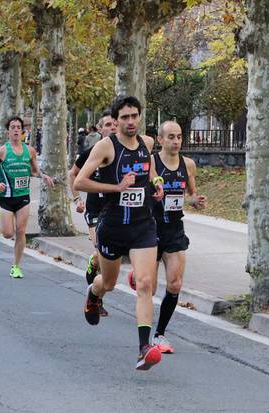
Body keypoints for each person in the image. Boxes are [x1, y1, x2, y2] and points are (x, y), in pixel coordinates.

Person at [74, 95, 165, 370]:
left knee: (146, 283)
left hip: (142, 225)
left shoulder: (147, 143)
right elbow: (79, 181)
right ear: (115, 121)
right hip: (112, 226)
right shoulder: (105, 147)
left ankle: (143, 348)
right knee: (109, 283)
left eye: (134, 116)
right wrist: (117, 188)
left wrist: (157, 183)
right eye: (124, 117)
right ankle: (93, 293)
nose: (130, 122)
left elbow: (149, 170)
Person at [127, 120, 207, 354]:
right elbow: (137, 191)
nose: (176, 141)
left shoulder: (188, 165)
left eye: (179, 137)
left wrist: (196, 201)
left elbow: (191, 195)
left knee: (175, 283)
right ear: (160, 140)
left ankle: (160, 334)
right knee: (148, 288)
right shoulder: (150, 162)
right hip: (149, 230)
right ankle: (139, 275)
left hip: (173, 230)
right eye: (170, 137)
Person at [0, 116, 55, 279]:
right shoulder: (2, 151)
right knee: (8, 234)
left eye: (18, 127)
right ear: (8, 131)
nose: (15, 130)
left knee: (21, 231)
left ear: (22, 131)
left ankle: (16, 266)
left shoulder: (30, 151)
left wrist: (44, 176)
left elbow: (35, 170)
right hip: (6, 197)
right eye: (12, 127)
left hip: (23, 196)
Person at [68, 111, 116, 317]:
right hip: (95, 210)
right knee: (100, 252)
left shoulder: (122, 154)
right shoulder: (91, 153)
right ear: (100, 129)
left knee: (106, 257)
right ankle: (98, 300)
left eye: (115, 124)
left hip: (115, 211)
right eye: (108, 125)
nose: (112, 128)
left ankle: (94, 265)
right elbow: (73, 174)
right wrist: (77, 199)